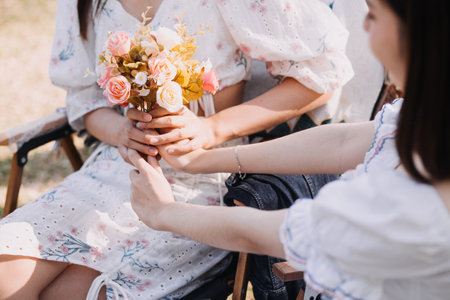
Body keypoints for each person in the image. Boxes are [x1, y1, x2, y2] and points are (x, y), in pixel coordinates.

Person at [0, 0, 354, 299]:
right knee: (6, 276)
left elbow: (321, 75)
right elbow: (84, 101)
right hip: (114, 169)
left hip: (202, 181)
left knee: (70, 293)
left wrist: (212, 127)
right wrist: (122, 131)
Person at [127, 0, 450, 299]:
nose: (364, 27)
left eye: (374, 15)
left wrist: (164, 212)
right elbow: (342, 142)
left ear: (419, 32)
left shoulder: (408, 207)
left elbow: (256, 234)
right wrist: (201, 159)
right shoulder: (426, 119)